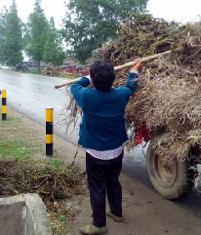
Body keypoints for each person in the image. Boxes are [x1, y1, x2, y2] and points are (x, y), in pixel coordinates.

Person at [71, 59, 143, 234]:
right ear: (113, 79)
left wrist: (89, 76)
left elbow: (75, 85)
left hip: (95, 153)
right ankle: (117, 212)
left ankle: (99, 225)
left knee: (97, 187)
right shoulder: (121, 95)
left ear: (94, 81)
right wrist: (134, 70)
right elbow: (131, 85)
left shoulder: (87, 97)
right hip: (116, 151)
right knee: (113, 181)